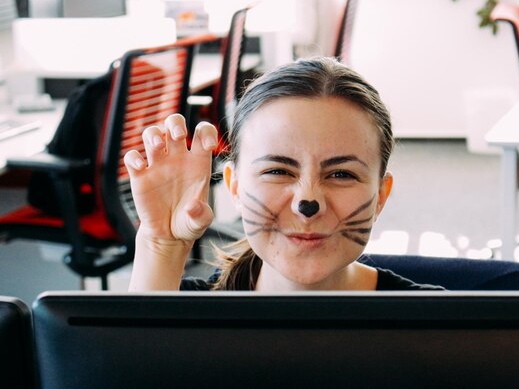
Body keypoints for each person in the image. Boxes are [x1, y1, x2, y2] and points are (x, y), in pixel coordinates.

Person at [125, 57, 443, 291]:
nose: (307, 202)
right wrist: (161, 244)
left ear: (380, 196)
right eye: (277, 170)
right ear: (234, 187)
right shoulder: (186, 313)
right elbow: (129, 379)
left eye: (342, 174)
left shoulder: (441, 329)